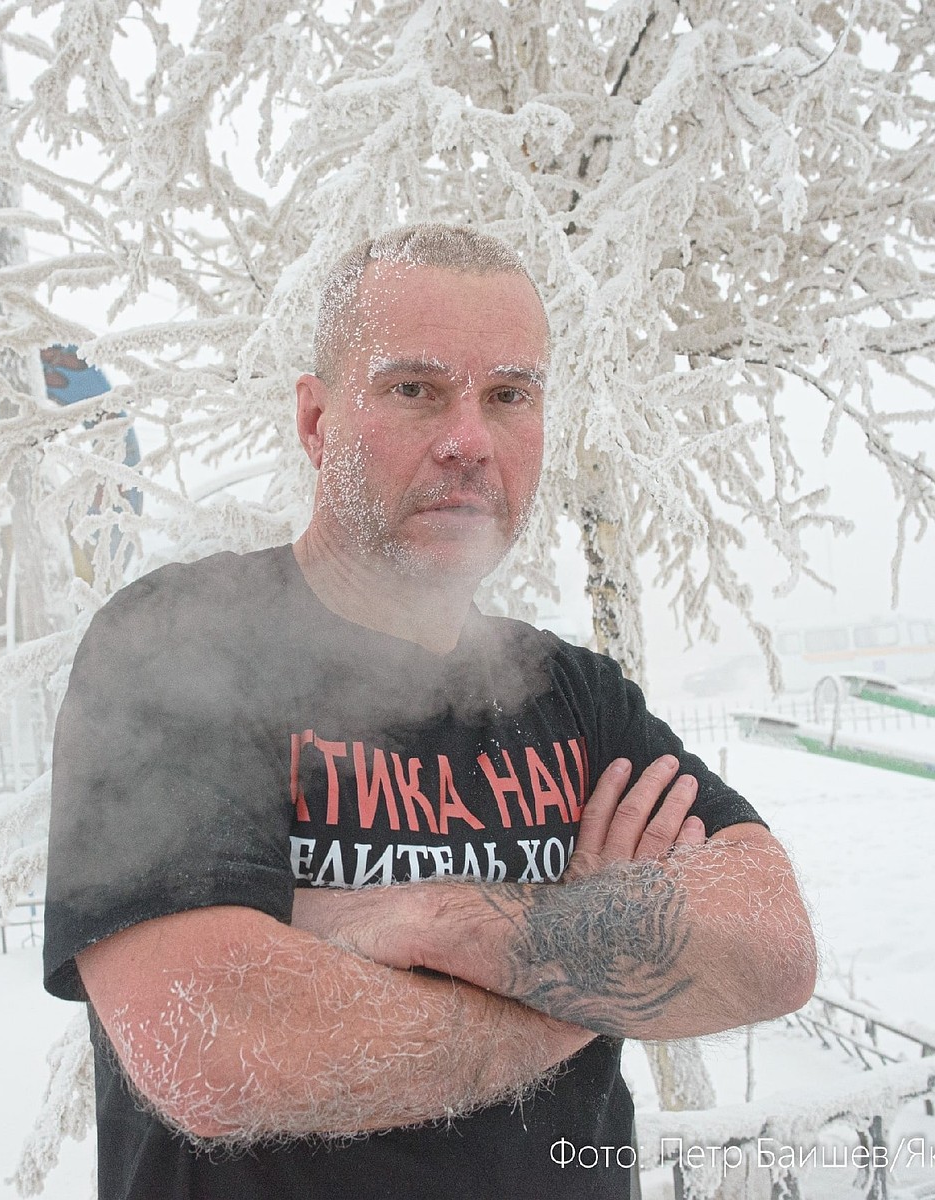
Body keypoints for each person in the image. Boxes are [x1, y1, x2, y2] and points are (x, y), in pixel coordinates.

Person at [43, 224, 816, 1199]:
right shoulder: (179, 648)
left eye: (509, 395)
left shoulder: (574, 697)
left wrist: (437, 921)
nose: (468, 441)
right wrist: (591, 970)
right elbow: (218, 1045)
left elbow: (772, 946)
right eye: (414, 389)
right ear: (316, 421)